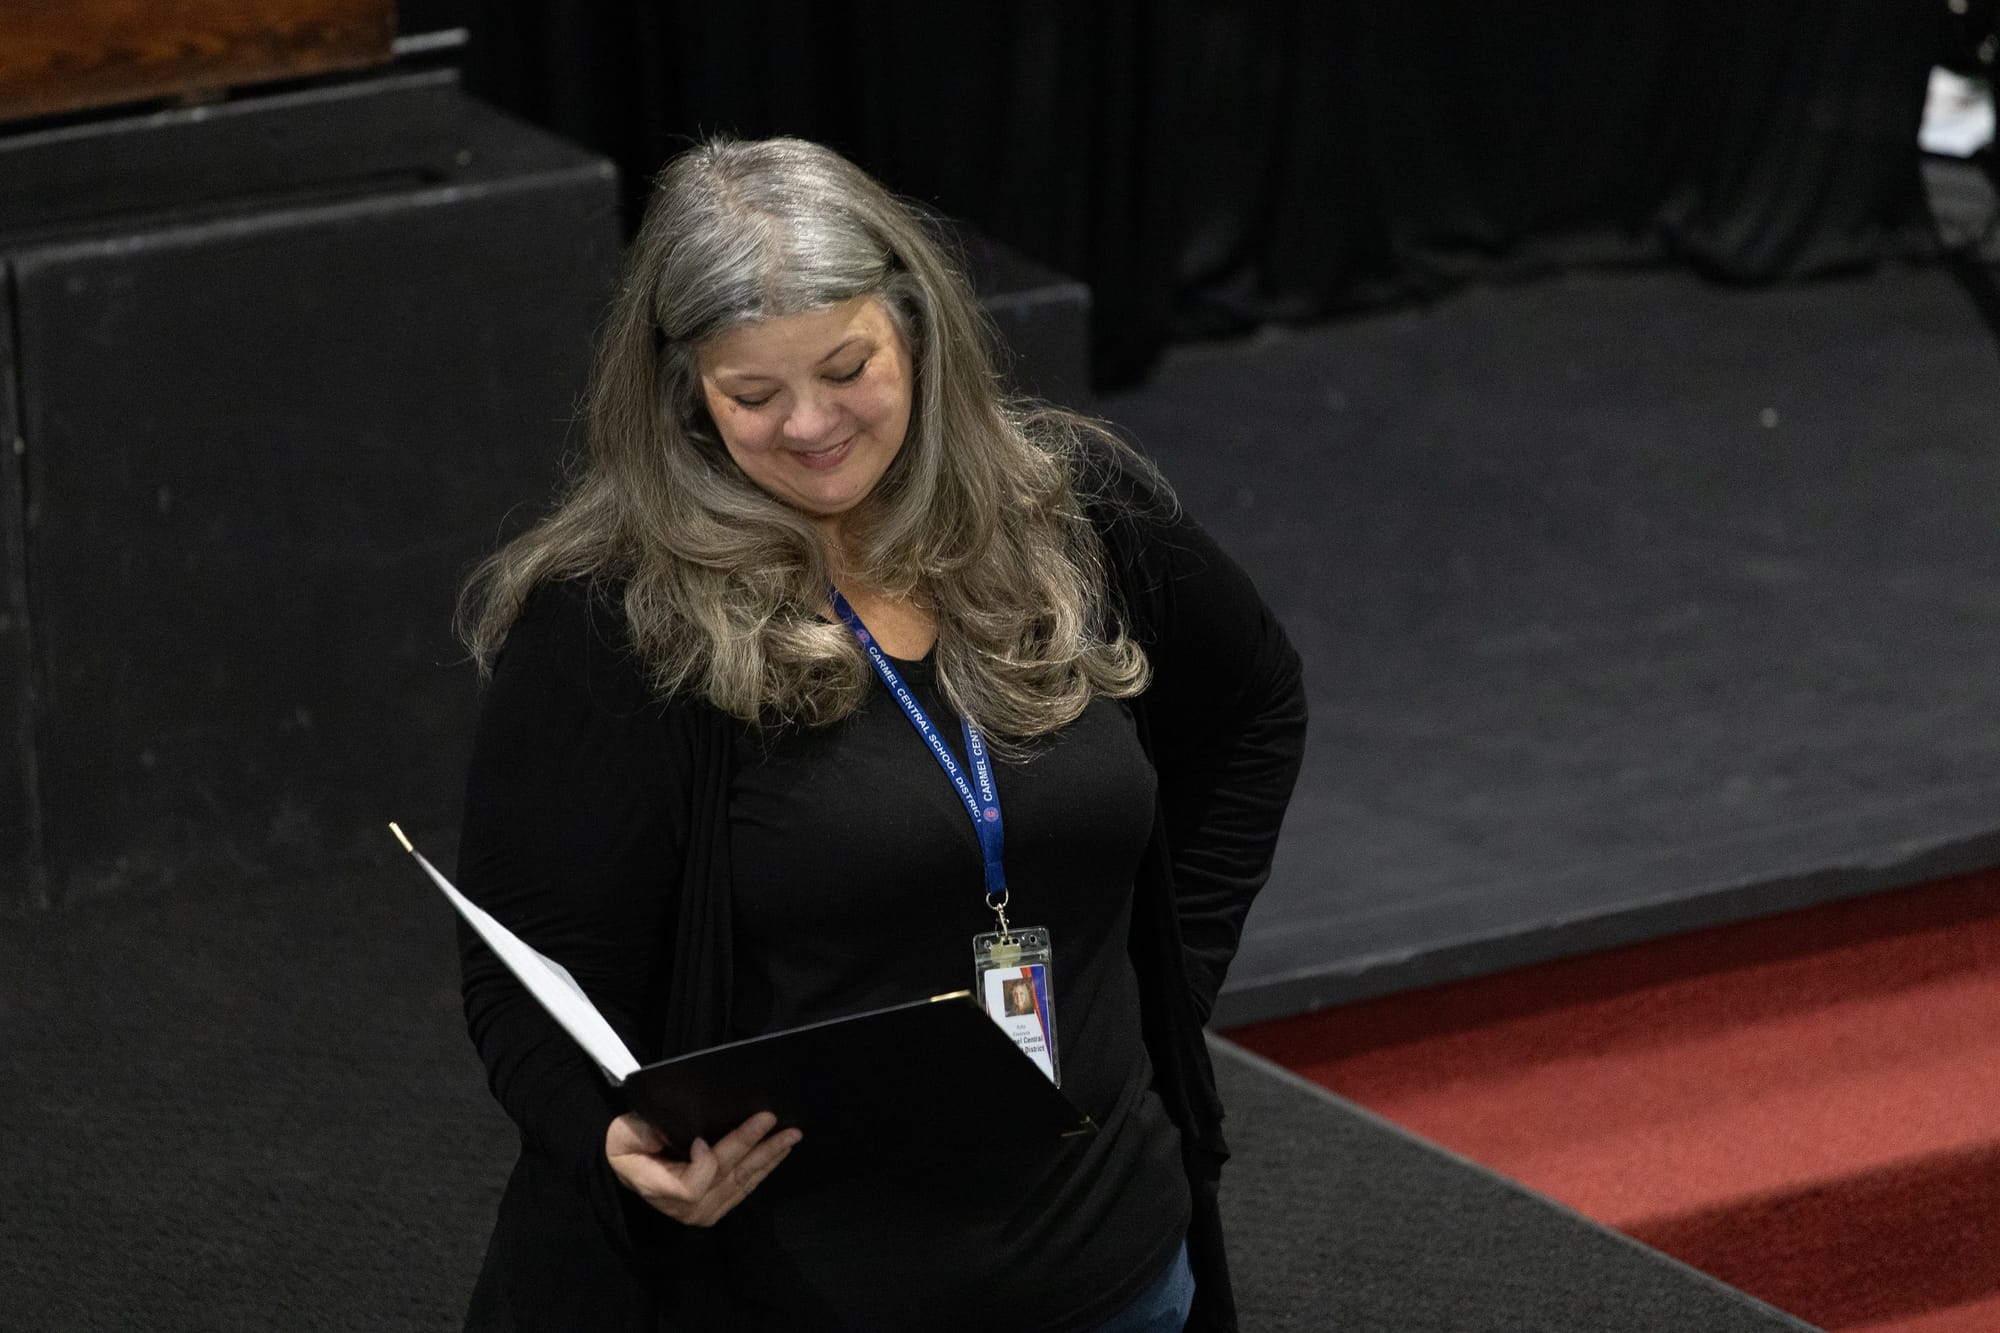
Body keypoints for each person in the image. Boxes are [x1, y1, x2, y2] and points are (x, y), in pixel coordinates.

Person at [452, 136, 1306, 1332]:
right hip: (805, 1293)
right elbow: (525, 971)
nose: (810, 425)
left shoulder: (1068, 511)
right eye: (752, 395)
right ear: (683, 393)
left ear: (916, 329)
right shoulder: (609, 622)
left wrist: (1170, 984)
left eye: (846, 367)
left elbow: (1255, 705)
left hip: (1116, 1272)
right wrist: (606, 1137)